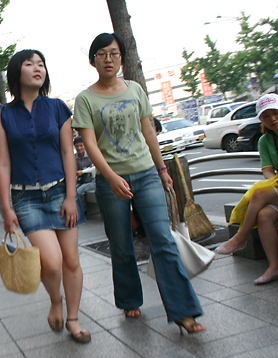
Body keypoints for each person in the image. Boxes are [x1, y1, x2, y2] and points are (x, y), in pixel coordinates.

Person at [72, 33, 205, 334]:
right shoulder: (86, 99)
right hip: (110, 181)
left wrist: (162, 169)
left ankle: (184, 311)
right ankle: (130, 298)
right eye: (102, 54)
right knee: (121, 245)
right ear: (93, 60)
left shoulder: (134, 89)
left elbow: (148, 132)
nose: (109, 59)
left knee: (162, 239)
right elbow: (90, 144)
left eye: (114, 53)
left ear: (122, 58)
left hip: (145, 174)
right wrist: (111, 177)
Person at [0, 49, 90, 343]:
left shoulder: (58, 107)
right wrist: (6, 207)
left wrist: (71, 195)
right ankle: (55, 301)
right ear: (15, 72)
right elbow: (3, 163)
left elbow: (67, 152)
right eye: (29, 64)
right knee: (50, 261)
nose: (38, 68)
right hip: (26, 199)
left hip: (61, 192)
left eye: (41, 64)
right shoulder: (3, 115)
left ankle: (73, 319)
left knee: (71, 261)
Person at [215, 93, 278, 285]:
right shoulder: (265, 140)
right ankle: (275, 267)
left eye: (275, 113)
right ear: (261, 119)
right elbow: (268, 170)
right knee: (264, 216)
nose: (272, 119)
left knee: (259, 194)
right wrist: (276, 183)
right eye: (266, 116)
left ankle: (240, 237)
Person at [74, 136, 96, 213]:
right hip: (82, 180)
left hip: (92, 181)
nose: (79, 148)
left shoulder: (91, 154)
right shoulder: (74, 157)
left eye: (81, 145)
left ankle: (83, 212)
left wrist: (83, 172)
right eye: (77, 146)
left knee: (79, 192)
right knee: (73, 191)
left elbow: (95, 168)